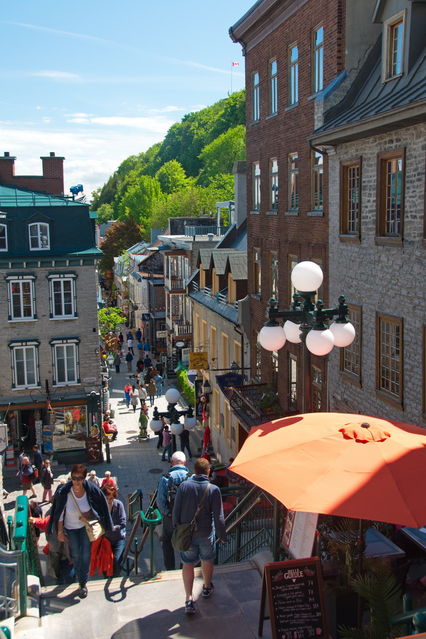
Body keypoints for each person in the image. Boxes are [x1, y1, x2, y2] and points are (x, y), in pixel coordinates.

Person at [48, 464, 113, 599]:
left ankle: (83, 581)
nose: (76, 481)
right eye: (74, 478)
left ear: (84, 479)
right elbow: (59, 513)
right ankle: (81, 581)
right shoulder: (64, 492)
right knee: (76, 554)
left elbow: (98, 508)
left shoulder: (91, 491)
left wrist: (88, 516)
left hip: (84, 527)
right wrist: (59, 531)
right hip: (70, 529)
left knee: (85, 555)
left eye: (79, 478)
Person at [173, 457, 226, 615]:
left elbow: (176, 511)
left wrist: (178, 528)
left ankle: (189, 599)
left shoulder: (184, 486)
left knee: (188, 563)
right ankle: (207, 587)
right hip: (205, 533)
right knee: (207, 559)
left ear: (194, 471)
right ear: (208, 471)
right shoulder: (213, 489)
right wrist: (222, 535)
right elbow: (219, 517)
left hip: (187, 534)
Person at [157, 451, 190, 570]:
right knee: (185, 540)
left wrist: (168, 513)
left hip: (170, 518)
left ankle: (170, 568)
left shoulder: (166, 479)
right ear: (185, 462)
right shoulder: (190, 477)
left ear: (172, 463)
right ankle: (183, 567)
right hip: (185, 517)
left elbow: (160, 501)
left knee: (167, 542)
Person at [102, 485, 127, 576]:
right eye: (106, 499)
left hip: (118, 538)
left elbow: (123, 522)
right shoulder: (101, 507)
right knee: (105, 562)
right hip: (106, 539)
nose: (108, 501)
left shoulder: (119, 505)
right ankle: (107, 578)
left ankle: (116, 577)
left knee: (116, 560)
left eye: (111, 498)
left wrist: (114, 527)